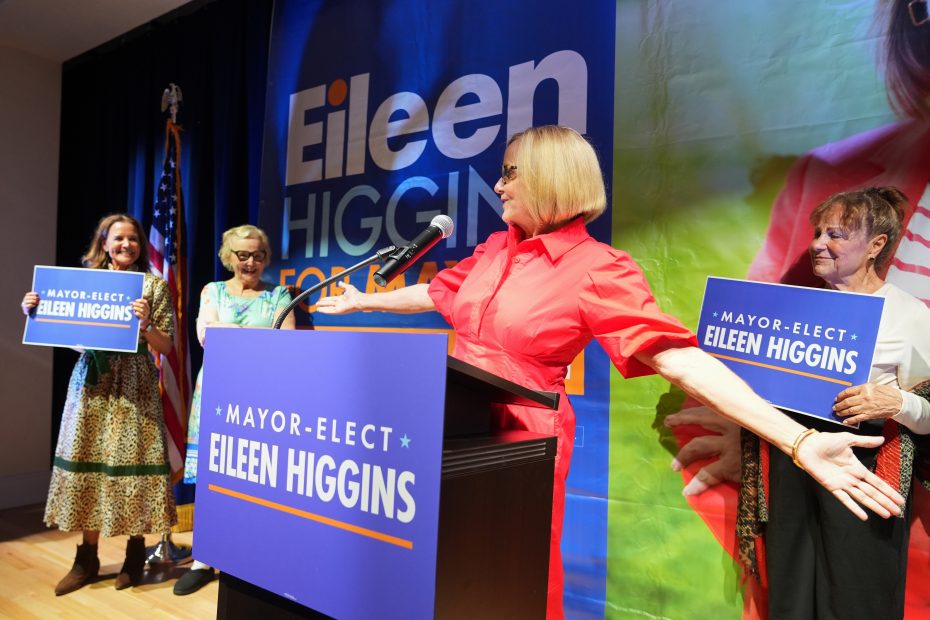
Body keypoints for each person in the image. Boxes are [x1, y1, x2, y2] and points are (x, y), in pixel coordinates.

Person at [315, 125, 907, 620]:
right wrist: (363, 302)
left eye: (510, 172)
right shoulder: (497, 247)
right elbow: (439, 293)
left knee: (506, 572)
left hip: (519, 439)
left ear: (550, 177)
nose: (498, 185)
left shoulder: (598, 269)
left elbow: (677, 358)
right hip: (449, 423)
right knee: (441, 565)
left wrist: (798, 440)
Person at [734, 187, 930, 619]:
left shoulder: (910, 314)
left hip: (866, 470)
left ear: (876, 245)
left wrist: (898, 403)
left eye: (836, 235)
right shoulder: (792, 310)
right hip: (792, 461)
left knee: (857, 595)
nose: (818, 244)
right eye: (817, 233)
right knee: (791, 592)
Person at [20, 214, 178, 595]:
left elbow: (167, 346)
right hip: (92, 382)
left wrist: (146, 326)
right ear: (104, 243)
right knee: (89, 461)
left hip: (135, 383)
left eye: (133, 239)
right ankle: (86, 559)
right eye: (119, 239)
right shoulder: (83, 284)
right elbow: (58, 326)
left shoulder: (153, 287)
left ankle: (135, 554)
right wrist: (33, 310)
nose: (127, 245)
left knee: (134, 466)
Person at [173, 224, 295, 596]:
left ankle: (247, 556)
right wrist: (261, 337)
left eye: (258, 255)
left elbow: (287, 343)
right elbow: (207, 336)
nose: (251, 262)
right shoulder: (212, 291)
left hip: (261, 399)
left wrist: (229, 332)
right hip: (216, 395)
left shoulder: (279, 295)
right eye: (243, 255)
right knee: (212, 478)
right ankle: (202, 559)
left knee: (255, 477)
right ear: (229, 257)